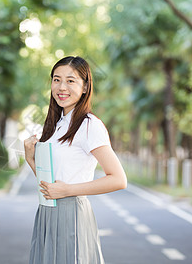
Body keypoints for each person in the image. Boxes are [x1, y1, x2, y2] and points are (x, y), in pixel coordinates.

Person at [24, 56, 127, 264]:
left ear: (85, 87)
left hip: (71, 214)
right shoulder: (55, 125)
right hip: (47, 213)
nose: (62, 87)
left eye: (70, 81)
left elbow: (118, 179)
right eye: (56, 79)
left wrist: (68, 190)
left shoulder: (89, 125)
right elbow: (51, 184)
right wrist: (30, 159)